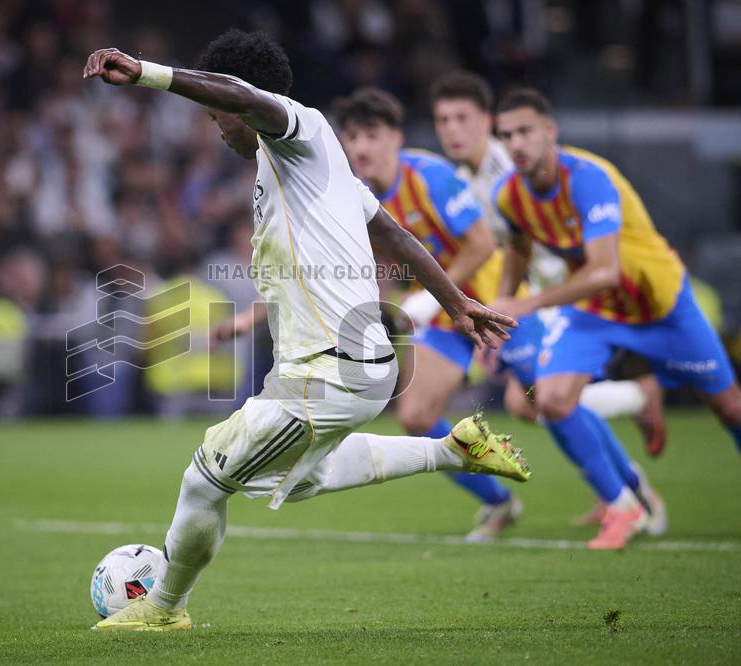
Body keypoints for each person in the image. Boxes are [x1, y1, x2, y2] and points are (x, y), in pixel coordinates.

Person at [82, 29, 527, 632]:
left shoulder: (300, 127)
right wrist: (457, 303)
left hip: (331, 370)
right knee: (297, 480)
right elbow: (392, 235)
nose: (219, 128)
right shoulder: (309, 167)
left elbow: (244, 99)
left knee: (204, 479)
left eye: (219, 116)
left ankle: (163, 608)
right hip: (331, 367)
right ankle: (452, 448)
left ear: (241, 100)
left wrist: (147, 74)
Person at [491, 87, 741, 549]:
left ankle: (640, 399)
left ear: (551, 131)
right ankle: (624, 506)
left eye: (525, 131)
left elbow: (605, 271)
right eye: (505, 135)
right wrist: (500, 310)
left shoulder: (589, 177)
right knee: (548, 400)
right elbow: (518, 249)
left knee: (729, 408)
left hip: (660, 306)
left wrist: (526, 304)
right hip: (594, 313)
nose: (516, 143)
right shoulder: (508, 195)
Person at [429, 72, 668, 534]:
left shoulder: (509, 168)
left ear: (487, 121)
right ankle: (621, 484)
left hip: (559, 295)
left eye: (462, 118)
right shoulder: (466, 178)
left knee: (547, 399)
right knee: (534, 404)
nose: (451, 130)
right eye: (442, 121)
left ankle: (634, 482)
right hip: (527, 303)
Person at [332, 86, 521, 542]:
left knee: (540, 404)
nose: (359, 147)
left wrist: (429, 299)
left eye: (371, 135)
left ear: (395, 138)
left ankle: (629, 489)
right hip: (444, 316)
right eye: (351, 136)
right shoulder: (355, 196)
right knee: (415, 417)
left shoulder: (430, 176)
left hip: (499, 305)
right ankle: (500, 502)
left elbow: (482, 244)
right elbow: (387, 265)